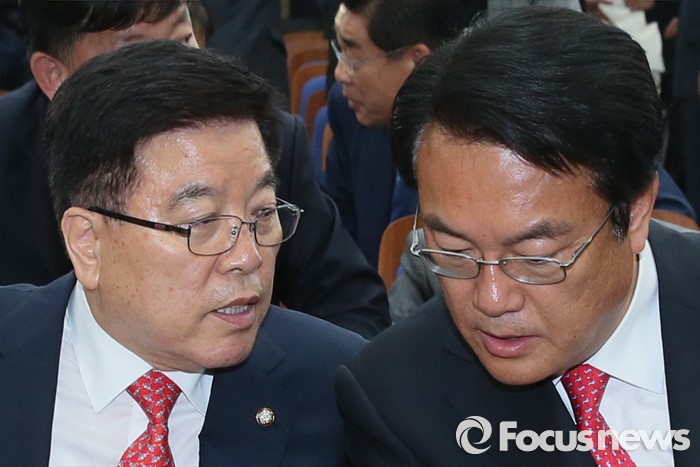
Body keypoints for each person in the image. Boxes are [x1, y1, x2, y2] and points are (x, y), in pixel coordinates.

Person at [336, 7, 700, 466]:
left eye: (535, 257)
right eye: (455, 251)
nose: (491, 300)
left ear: (634, 212)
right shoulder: (395, 402)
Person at [0, 39, 366, 466]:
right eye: (202, 222)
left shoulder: (341, 390)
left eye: (263, 212)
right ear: (88, 243)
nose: (247, 257)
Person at [0, 0, 390, 338]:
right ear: (54, 74)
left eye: (184, 41)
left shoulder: (254, 143)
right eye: (137, 55)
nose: (174, 70)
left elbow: (352, 309)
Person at [321, 0, 486, 268]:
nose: (340, 74)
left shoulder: (477, 143)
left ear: (417, 60)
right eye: (340, 50)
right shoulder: (347, 111)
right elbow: (336, 246)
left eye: (353, 58)